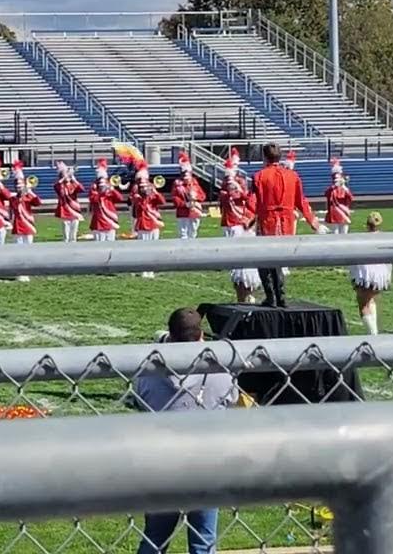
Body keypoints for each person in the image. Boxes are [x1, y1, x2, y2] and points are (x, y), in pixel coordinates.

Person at [135, 307, 238, 554]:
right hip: (207, 463)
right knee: (203, 541)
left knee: (155, 539)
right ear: (201, 335)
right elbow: (232, 397)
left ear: (170, 335)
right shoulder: (219, 367)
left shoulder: (152, 370)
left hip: (164, 465)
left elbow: (140, 397)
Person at [251, 143, 326, 307]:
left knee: (263, 259)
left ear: (264, 157)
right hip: (286, 222)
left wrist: (246, 220)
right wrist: (312, 220)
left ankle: (272, 295)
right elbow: (301, 201)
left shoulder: (259, 176)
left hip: (267, 222)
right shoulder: (292, 176)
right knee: (277, 259)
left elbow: (253, 202)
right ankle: (280, 294)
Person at [219, 152, 260, 304]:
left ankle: (248, 289)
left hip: (241, 222)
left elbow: (246, 198)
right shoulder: (225, 188)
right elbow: (224, 198)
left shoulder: (241, 183)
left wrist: (237, 189)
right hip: (230, 221)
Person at [347, 212, 391, 334]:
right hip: (380, 276)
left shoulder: (362, 239)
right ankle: (373, 332)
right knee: (370, 300)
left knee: (363, 305)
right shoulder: (386, 238)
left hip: (366, 276)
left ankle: (373, 334)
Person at [129, 164, 165, 278]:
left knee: (154, 248)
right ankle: (144, 270)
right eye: (142, 186)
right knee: (143, 249)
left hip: (154, 224)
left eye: (146, 186)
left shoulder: (153, 196)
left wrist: (155, 192)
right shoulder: (137, 197)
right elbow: (139, 205)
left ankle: (152, 270)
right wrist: (143, 194)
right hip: (143, 225)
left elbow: (162, 201)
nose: (145, 188)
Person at [171, 153, 205, 240]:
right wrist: (185, 204)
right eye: (184, 174)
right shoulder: (177, 185)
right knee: (183, 234)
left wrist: (196, 196)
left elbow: (203, 196)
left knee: (193, 233)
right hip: (183, 213)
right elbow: (175, 199)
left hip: (195, 212)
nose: (186, 176)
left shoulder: (195, 183)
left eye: (188, 174)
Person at [88, 158, 123, 242]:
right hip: (99, 220)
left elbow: (120, 198)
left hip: (110, 218)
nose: (102, 184)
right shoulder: (94, 187)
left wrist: (112, 189)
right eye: (100, 182)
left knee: (111, 243)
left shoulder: (110, 187)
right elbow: (93, 199)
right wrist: (102, 192)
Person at [53, 161, 84, 243]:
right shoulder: (60, 185)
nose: (66, 175)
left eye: (66, 173)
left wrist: (74, 179)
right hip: (65, 211)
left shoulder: (73, 184)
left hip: (75, 211)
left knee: (73, 234)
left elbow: (81, 189)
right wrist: (64, 177)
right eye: (64, 174)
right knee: (66, 235)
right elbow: (56, 186)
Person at [323, 158, 353, 235]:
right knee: (335, 235)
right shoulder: (331, 189)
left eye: (337, 178)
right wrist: (334, 187)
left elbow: (350, 198)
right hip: (334, 215)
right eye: (335, 178)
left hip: (343, 213)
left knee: (344, 234)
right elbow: (326, 194)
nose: (336, 180)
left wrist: (344, 187)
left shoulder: (344, 189)